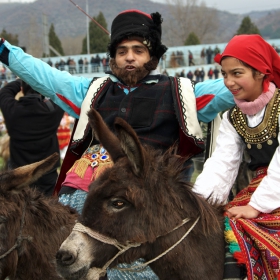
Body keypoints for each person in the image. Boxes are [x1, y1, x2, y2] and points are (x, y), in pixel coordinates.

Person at [0, 9, 235, 279]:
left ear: (153, 57)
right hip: (78, 197)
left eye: (138, 50)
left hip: (142, 207)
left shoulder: (180, 94)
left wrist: (261, 67)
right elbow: (43, 75)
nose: (130, 57)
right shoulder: (93, 90)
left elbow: (236, 82)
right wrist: (3, 50)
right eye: (122, 51)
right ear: (112, 56)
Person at [193, 34, 280, 280]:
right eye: (224, 74)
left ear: (262, 72)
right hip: (257, 188)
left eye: (237, 73)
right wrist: (200, 203)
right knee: (218, 225)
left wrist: (256, 207)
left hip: (271, 190)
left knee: (245, 226)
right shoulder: (234, 117)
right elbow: (222, 163)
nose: (229, 82)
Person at [0, 79, 64, 196]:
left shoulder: (12, 110)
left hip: (20, 174)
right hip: (47, 172)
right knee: (49, 208)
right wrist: (37, 78)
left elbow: (5, 91)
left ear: (22, 89)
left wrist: (22, 78)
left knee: (21, 209)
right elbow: (61, 92)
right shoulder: (51, 111)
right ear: (41, 90)